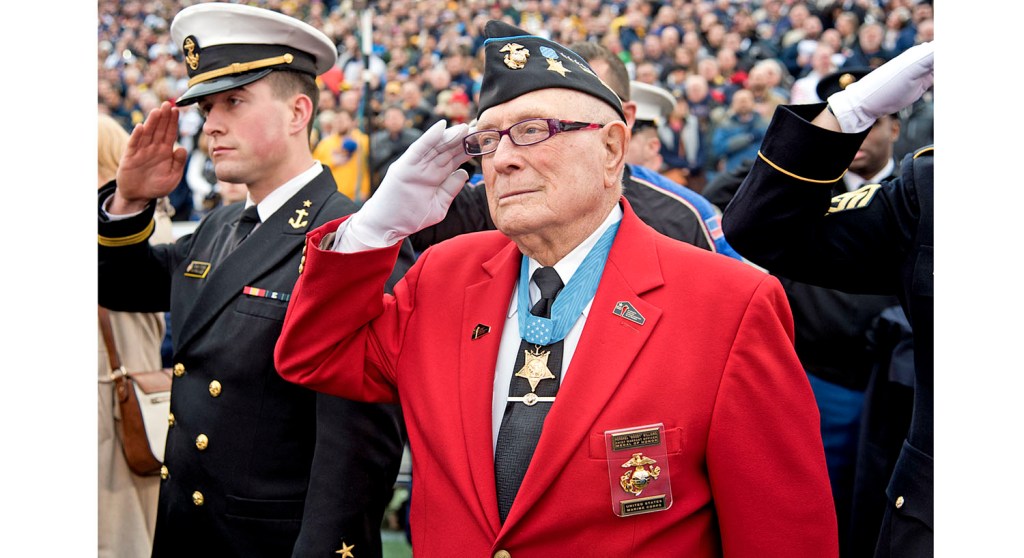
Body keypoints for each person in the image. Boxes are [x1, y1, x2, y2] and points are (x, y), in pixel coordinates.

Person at [275, 20, 838, 556]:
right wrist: (374, 229)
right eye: (488, 140)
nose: (503, 160)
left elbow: (782, 537)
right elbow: (315, 355)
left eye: (532, 131)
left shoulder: (728, 304)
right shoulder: (444, 276)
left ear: (612, 149)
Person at [96, 4, 410, 556]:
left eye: (234, 102)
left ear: (297, 112)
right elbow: (120, 286)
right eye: (207, 107)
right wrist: (128, 201)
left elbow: (358, 452)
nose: (211, 124)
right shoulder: (220, 225)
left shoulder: (353, 238)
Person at [722, 42, 934, 558]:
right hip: (832, 376)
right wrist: (849, 111)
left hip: (893, 384)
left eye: (873, 124)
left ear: (896, 129)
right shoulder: (927, 189)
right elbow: (758, 227)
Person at [97, 112, 171, 558]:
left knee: (120, 532)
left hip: (119, 395)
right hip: (122, 389)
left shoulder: (134, 219)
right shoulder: (135, 215)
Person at [313, 109, 372, 203]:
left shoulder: (363, 141)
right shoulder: (325, 144)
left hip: (355, 197)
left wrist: (365, 190)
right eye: (337, 120)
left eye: (343, 120)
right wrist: (332, 161)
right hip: (331, 198)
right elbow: (314, 168)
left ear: (353, 122)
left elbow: (367, 168)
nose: (339, 123)